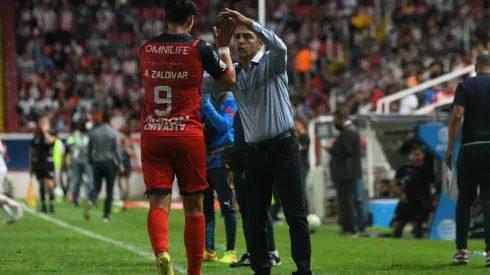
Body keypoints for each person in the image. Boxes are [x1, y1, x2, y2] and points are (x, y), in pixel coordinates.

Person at [203, 9, 311, 275]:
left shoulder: (273, 64)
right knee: (254, 217)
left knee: (295, 214)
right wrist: (219, 50)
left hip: (283, 147)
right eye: (237, 37)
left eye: (247, 37)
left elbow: (281, 45)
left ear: (259, 42)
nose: (240, 41)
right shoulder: (232, 75)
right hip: (255, 153)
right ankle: (261, 269)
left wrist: (249, 22)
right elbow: (204, 84)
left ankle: (303, 270)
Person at [139, 1, 236, 274]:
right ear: (192, 20)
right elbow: (229, 80)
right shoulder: (200, 48)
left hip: (153, 133)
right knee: (195, 206)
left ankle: (162, 252)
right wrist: (224, 48)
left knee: (158, 201)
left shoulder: (146, 49)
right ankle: (194, 272)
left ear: (164, 16)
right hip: (187, 134)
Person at [445, 52, 490, 266]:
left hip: (470, 148)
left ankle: (461, 250)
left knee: (465, 200)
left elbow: (457, 116)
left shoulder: (466, 86)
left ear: (476, 66)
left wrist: (450, 148)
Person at [222, 109, 282, 268]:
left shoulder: (256, 110)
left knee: (260, 209)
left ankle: (272, 252)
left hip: (256, 164)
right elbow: (237, 142)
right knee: (245, 211)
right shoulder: (239, 113)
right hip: (240, 166)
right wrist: (233, 169)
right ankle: (252, 253)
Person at [201, 90, 238, 263]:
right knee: (207, 208)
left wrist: (207, 105)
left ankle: (231, 252)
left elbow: (224, 124)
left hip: (223, 161)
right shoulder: (210, 100)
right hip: (207, 161)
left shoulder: (230, 101)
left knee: (227, 207)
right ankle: (210, 250)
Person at [325, 108, 364, 235]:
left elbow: (346, 151)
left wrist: (332, 149)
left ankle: (349, 228)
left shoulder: (349, 132)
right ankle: (347, 226)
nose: (334, 122)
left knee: (346, 202)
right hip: (348, 173)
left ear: (341, 118)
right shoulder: (350, 131)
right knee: (346, 201)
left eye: (335, 119)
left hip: (346, 173)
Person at [85, 112, 123, 222]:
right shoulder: (114, 133)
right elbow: (117, 150)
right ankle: (106, 216)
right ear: (110, 120)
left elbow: (89, 148)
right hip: (109, 163)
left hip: (97, 162)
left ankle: (91, 201)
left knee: (97, 187)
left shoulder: (94, 132)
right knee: (109, 190)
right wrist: (120, 164)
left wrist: (90, 161)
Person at [390, 144, 434, 238]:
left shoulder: (427, 169)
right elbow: (395, 182)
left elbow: (431, 186)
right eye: (414, 153)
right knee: (398, 227)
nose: (415, 155)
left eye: (418, 154)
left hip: (420, 202)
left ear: (423, 155)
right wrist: (399, 193)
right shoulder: (405, 168)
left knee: (418, 229)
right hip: (407, 200)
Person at [29, 116, 57, 214]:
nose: (43, 125)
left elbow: (51, 141)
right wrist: (31, 165)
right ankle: (44, 205)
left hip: (48, 161)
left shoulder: (52, 133)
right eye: (41, 123)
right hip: (38, 163)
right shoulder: (36, 136)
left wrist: (45, 132)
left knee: (50, 183)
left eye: (45, 123)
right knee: (41, 183)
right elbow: (32, 151)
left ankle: (52, 205)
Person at [65, 118, 94, 207]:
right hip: (78, 161)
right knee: (77, 181)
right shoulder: (77, 136)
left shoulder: (88, 135)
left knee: (89, 181)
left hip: (86, 161)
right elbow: (70, 146)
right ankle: (75, 200)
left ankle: (91, 200)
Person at [117, 129, 134, 204]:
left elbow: (131, 154)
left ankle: (127, 197)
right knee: (119, 182)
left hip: (127, 166)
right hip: (121, 166)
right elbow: (118, 156)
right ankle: (122, 194)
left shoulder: (131, 146)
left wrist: (126, 148)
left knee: (128, 183)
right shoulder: (120, 146)